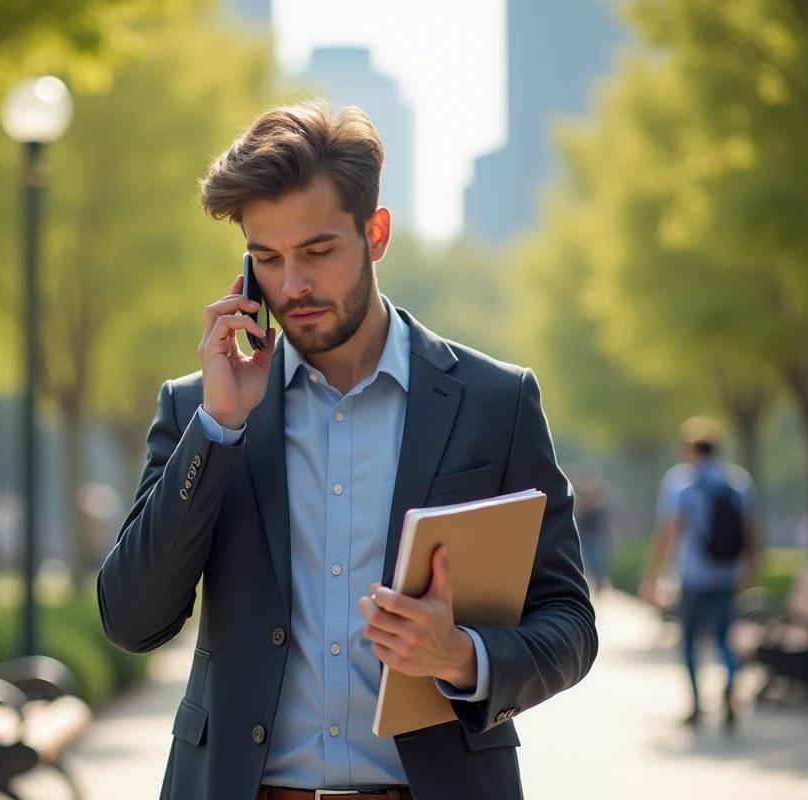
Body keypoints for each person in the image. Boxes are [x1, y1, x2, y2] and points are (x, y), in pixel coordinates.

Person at [97, 102, 597, 800]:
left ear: (377, 232)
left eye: (318, 251)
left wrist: (463, 656)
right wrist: (218, 432)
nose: (292, 284)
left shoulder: (495, 402)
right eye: (267, 258)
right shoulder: (198, 412)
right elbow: (132, 620)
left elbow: (570, 624)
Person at [640, 417, 757, 729]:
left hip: (693, 576)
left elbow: (668, 533)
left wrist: (652, 575)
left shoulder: (681, 483)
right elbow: (750, 531)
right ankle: (730, 682)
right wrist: (749, 569)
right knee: (724, 638)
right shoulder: (738, 481)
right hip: (727, 575)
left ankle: (695, 705)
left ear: (689, 449)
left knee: (690, 641)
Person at [573, 462, 613, 596]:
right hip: (585, 536)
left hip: (596, 536)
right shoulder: (580, 498)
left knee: (597, 559)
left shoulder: (597, 498)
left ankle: (600, 582)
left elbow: (605, 519)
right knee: (587, 560)